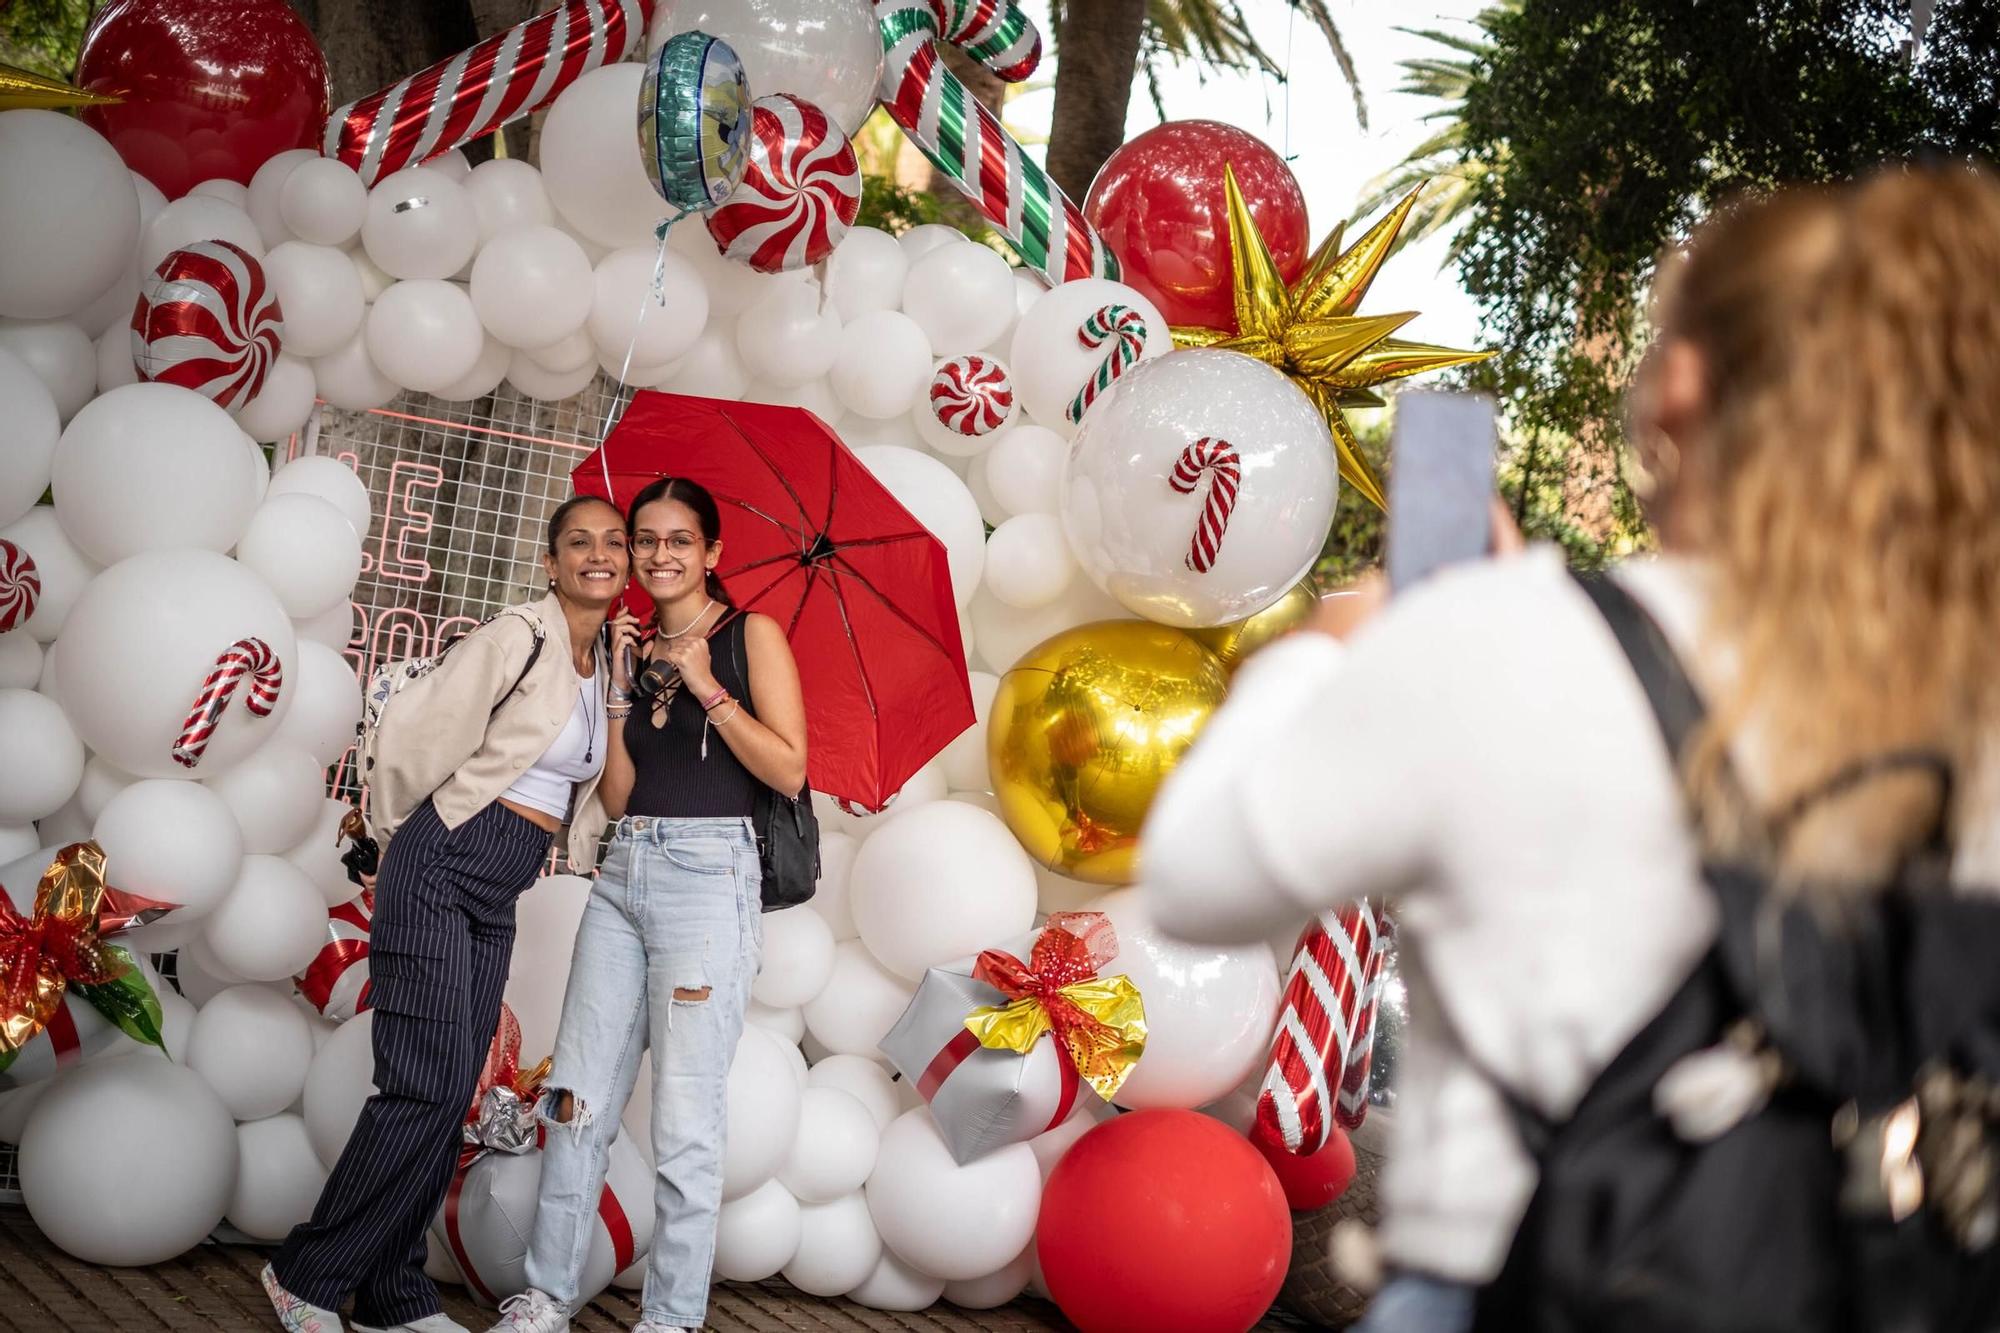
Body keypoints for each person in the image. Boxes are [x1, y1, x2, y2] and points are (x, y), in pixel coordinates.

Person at [1139, 163, 2000, 1333]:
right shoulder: (1965, 705)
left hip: (1518, 1283)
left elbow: (1196, 876)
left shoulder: (1508, 640)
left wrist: (1335, 646)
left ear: (1682, 387)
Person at [265, 495, 631, 1333]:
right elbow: (413, 736)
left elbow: (607, 791)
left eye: (614, 543)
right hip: (443, 857)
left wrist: (622, 681)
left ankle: (392, 1296)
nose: (598, 555)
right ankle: (305, 1273)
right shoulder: (518, 636)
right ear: (550, 561)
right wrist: (399, 841)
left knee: (453, 1091)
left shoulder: (603, 665)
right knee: (420, 1084)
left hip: (500, 884)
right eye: (579, 542)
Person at [493, 476, 807, 1333]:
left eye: (679, 539)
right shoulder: (630, 652)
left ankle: (669, 1320)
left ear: (712, 553)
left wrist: (707, 684)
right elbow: (623, 800)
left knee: (685, 1120)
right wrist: (625, 687)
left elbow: (788, 768)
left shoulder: (751, 636)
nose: (658, 554)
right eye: (645, 539)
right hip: (626, 870)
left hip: (710, 880)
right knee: (578, 1096)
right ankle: (546, 1296)